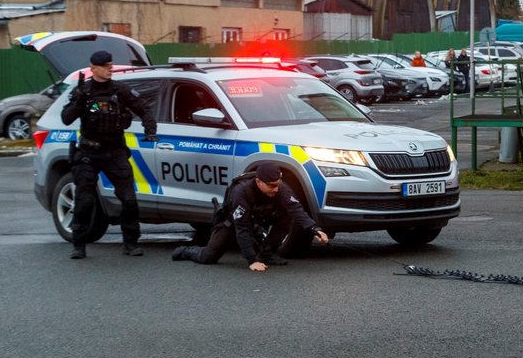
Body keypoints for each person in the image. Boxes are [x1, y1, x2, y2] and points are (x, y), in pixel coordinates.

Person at [61, 50, 158, 259]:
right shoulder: (84, 91)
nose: (110, 69)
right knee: (84, 200)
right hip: (89, 152)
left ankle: (131, 243)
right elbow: (66, 119)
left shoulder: (120, 90)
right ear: (94, 68)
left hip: (114, 151)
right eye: (105, 66)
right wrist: (78, 102)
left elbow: (144, 109)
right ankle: (79, 245)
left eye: (111, 65)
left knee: (129, 199)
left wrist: (151, 131)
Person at [171, 162, 329, 272]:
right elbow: (242, 228)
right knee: (209, 257)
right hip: (232, 223)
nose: (276, 189)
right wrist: (252, 261)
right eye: (271, 185)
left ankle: (268, 253)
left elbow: (297, 210)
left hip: (260, 218)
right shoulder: (241, 192)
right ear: (259, 182)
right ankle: (186, 251)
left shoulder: (280, 188)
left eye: (278, 184)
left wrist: (315, 229)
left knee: (287, 215)